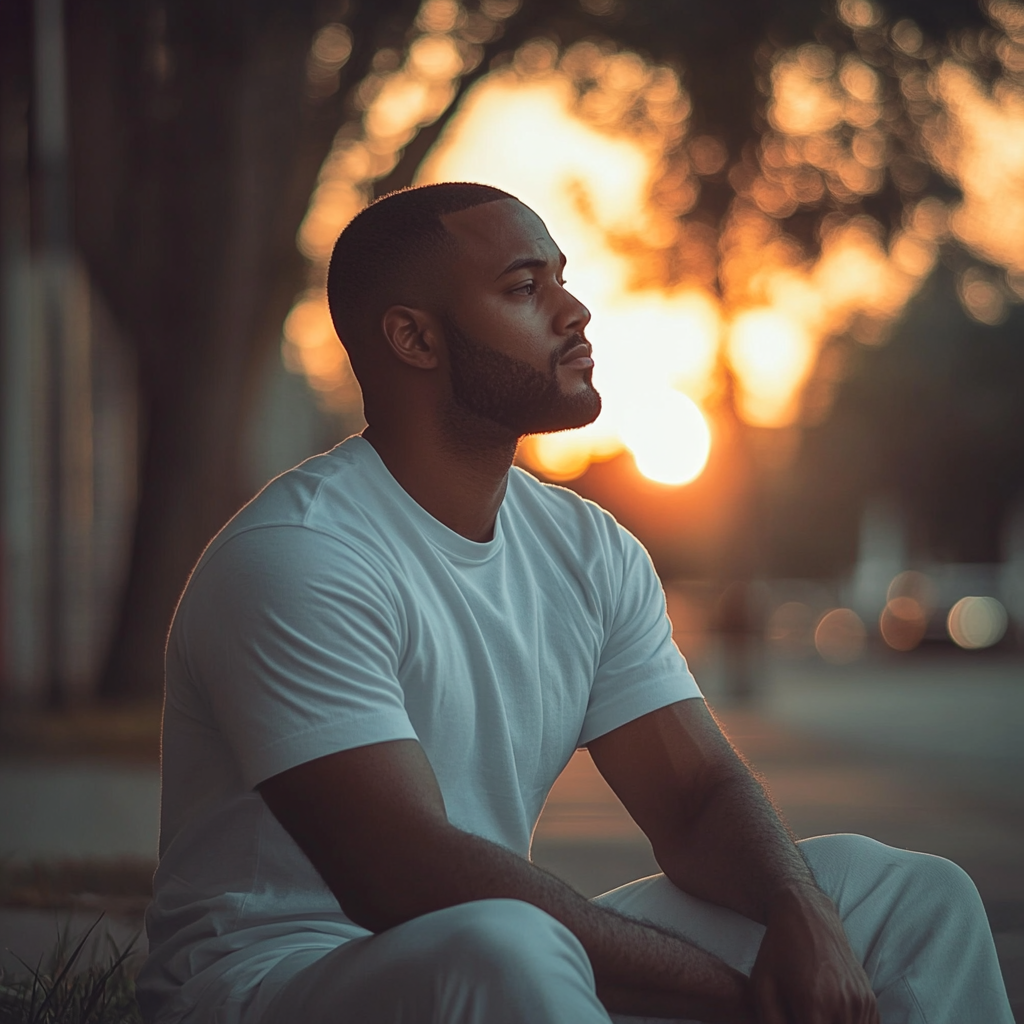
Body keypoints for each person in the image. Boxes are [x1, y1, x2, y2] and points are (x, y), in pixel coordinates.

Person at [137, 182, 1013, 1024]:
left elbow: (697, 795)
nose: (574, 311)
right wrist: (747, 997)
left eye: (561, 277)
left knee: (907, 898)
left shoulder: (587, 550)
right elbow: (404, 876)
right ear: (414, 339)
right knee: (507, 946)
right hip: (274, 984)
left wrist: (801, 915)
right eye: (525, 287)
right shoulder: (300, 558)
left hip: (506, 967)